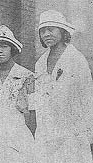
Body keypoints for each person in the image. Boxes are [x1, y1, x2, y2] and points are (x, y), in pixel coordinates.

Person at [30, 10, 93, 163]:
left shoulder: (76, 59)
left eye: (51, 29)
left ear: (62, 31)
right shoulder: (40, 63)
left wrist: (88, 134)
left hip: (72, 132)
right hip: (46, 133)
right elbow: (39, 100)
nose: (46, 34)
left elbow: (87, 97)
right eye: (43, 31)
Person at [0, 25, 36, 163]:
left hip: (18, 138)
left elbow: (33, 114)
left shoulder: (27, 76)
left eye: (4, 46)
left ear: (12, 49)